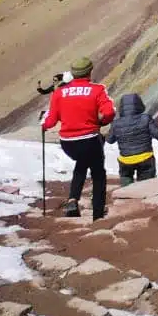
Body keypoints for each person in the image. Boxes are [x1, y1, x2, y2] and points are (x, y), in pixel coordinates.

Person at [41, 57, 115, 220]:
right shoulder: (97, 90)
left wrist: (44, 125)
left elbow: (51, 120)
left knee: (81, 163)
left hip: (68, 143)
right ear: (89, 71)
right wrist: (101, 122)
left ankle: (73, 199)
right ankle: (97, 213)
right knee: (98, 173)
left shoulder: (59, 93)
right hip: (89, 139)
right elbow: (109, 112)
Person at [106, 93, 158, 185]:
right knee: (146, 185)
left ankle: (126, 194)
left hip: (125, 160)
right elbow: (157, 134)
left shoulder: (116, 123)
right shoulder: (146, 118)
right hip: (145, 158)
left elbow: (109, 140)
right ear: (139, 105)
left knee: (126, 179)